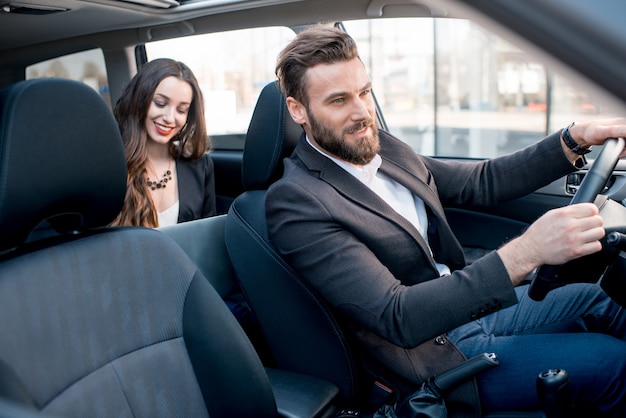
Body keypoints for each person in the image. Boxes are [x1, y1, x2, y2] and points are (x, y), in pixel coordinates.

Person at [265, 25, 626, 417]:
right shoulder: (296, 202)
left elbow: (479, 181)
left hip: (469, 312)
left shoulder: (380, 147)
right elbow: (396, 315)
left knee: (608, 300)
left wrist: (573, 139)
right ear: (297, 110)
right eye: (339, 101)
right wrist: (528, 251)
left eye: (365, 92)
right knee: (613, 363)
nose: (362, 112)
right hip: (431, 358)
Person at [111, 58, 216, 228]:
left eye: (181, 110)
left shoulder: (200, 167)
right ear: (139, 100)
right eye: (160, 103)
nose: (169, 117)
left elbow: (207, 237)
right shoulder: (112, 166)